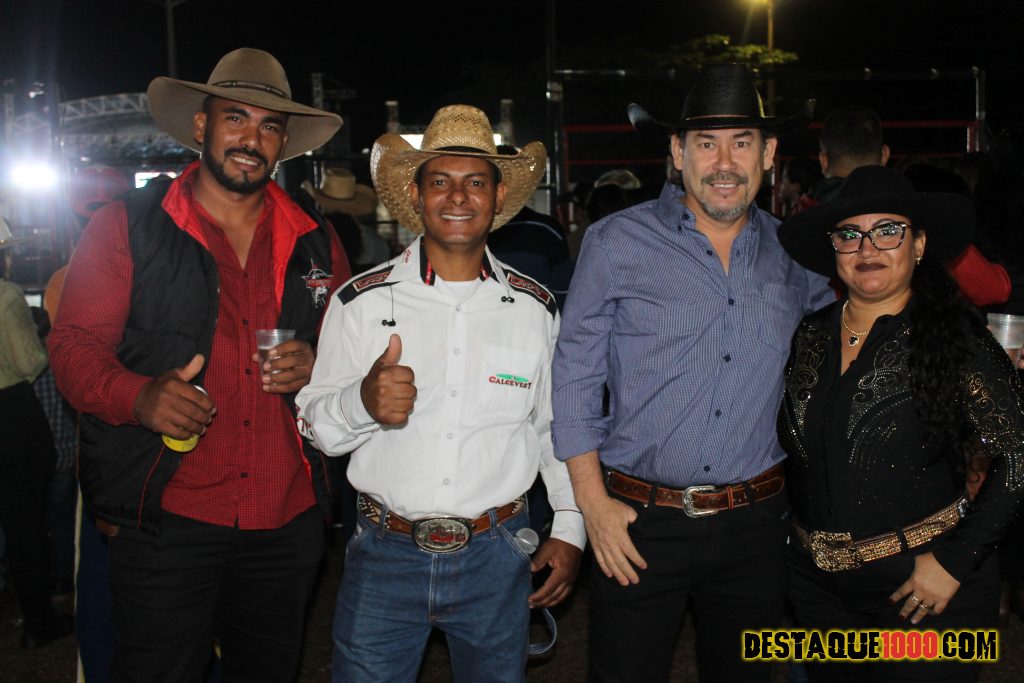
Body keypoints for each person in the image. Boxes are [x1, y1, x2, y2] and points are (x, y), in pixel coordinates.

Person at [48, 48, 349, 681]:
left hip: (286, 515)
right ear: (201, 125)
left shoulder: (317, 240)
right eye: (235, 118)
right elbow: (73, 348)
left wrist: (319, 361)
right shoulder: (126, 224)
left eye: (269, 126)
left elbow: (353, 357)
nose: (251, 139)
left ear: (283, 142)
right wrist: (138, 396)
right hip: (167, 514)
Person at [552, 63, 833, 683]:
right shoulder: (614, 242)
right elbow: (573, 377)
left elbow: (841, 356)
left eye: (742, 143)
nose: (724, 163)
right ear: (677, 153)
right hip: (636, 522)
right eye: (706, 143)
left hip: (758, 526)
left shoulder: (799, 255)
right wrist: (592, 505)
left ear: (769, 155)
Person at [295, 104, 585, 683]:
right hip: (384, 554)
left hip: (497, 554)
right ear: (416, 194)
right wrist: (362, 402)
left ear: (498, 197)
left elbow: (552, 428)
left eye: (475, 182)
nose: (458, 197)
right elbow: (315, 428)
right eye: (440, 182)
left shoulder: (534, 309)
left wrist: (570, 527)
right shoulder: (360, 301)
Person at [776, 165, 1024, 682]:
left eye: (887, 230)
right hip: (820, 596)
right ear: (834, 249)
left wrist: (956, 561)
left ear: (919, 244)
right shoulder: (811, 334)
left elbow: (1016, 458)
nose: (867, 248)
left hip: (924, 593)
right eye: (850, 234)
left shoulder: (957, 338)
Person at [0, 218, 74, 649]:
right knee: (26, 524)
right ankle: (38, 621)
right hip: (11, 415)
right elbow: (29, 362)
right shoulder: (6, 295)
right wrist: (43, 337)